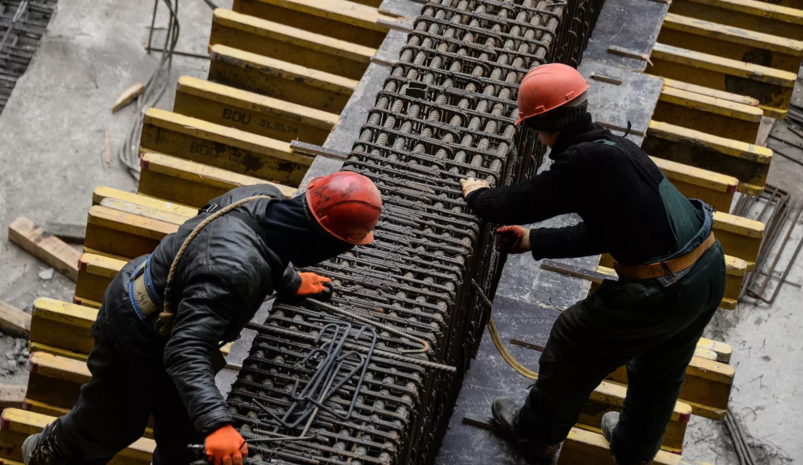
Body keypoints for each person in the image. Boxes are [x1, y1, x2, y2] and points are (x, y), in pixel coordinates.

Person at [459, 64, 727, 465]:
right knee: (661, 367)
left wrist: (477, 194)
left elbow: (514, 203)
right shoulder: (615, 148)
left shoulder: (580, 163)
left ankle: (534, 435)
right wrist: (535, 239)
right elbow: (608, 231)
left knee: (573, 337)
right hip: (707, 267)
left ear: (541, 126)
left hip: (661, 291)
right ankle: (634, 446)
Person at [22, 172, 383, 465]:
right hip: (136, 330)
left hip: (171, 318)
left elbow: (262, 243)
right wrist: (218, 424)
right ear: (325, 240)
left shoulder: (261, 197)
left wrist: (289, 280)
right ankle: (45, 454)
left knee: (185, 436)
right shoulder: (232, 269)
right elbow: (185, 351)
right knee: (111, 426)